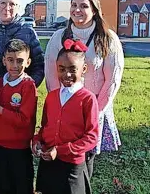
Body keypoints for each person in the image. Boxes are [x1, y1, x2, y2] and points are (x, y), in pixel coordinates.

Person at [44, 0, 124, 178]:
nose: (77, 10)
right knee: (61, 156)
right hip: (64, 109)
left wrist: (95, 111)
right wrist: (60, 104)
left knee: (84, 159)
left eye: (84, 6)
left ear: (94, 10)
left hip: (94, 109)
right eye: (74, 5)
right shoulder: (58, 37)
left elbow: (112, 79)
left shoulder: (108, 38)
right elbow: (51, 74)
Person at [32, 39, 99, 194]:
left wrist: (61, 150)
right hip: (48, 161)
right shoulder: (52, 96)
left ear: (84, 69)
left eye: (72, 69)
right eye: (61, 69)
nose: (66, 74)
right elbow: (45, 126)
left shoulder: (88, 99)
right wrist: (37, 140)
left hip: (71, 165)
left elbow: (91, 137)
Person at [0, 39, 37, 194]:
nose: (15, 66)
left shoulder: (28, 86)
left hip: (20, 150)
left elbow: (24, 120)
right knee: (1, 187)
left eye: (20, 61)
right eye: (10, 60)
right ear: (4, 60)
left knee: (21, 188)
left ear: (28, 62)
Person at [0, 0, 44, 88]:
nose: (7, 8)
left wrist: (26, 89)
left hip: (16, 98)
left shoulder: (27, 32)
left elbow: (39, 66)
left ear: (18, 7)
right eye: (3, 3)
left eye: (12, 4)